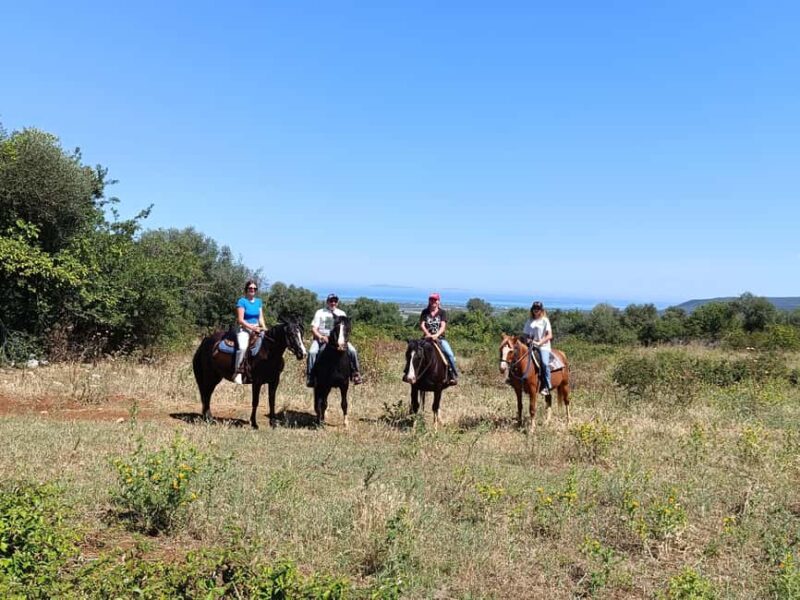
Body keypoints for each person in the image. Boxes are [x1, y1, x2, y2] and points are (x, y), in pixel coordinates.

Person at [307, 293, 363, 386]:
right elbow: (313, 328)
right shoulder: (320, 312)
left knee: (353, 351)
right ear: (327, 302)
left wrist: (344, 339)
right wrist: (320, 336)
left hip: (339, 339)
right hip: (321, 338)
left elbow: (346, 328)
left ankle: (355, 373)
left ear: (337, 302)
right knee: (312, 352)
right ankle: (311, 376)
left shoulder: (342, 313)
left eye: (335, 301)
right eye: (331, 301)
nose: (333, 303)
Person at [234, 279, 268, 384]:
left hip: (258, 328)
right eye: (250, 288)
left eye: (254, 288)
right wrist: (252, 328)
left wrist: (265, 328)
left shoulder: (258, 302)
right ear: (246, 289)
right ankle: (238, 372)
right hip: (244, 328)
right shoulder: (242, 301)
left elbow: (261, 318)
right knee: (243, 347)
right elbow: (240, 319)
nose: (252, 290)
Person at [419, 292, 458, 385]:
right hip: (426, 338)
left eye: (435, 300)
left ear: (438, 301)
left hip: (439, 338)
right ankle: (409, 372)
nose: (433, 302)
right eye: (431, 300)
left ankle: (453, 374)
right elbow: (422, 325)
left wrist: (436, 335)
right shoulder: (425, 312)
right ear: (429, 301)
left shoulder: (442, 312)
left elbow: (443, 326)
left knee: (450, 354)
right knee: (414, 352)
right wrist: (428, 334)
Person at [523, 300, 553, 394]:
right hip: (530, 345)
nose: (536, 310)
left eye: (538, 309)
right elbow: (525, 334)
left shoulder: (545, 320)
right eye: (534, 308)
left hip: (543, 346)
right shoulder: (529, 321)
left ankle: (547, 386)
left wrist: (540, 342)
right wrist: (527, 339)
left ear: (541, 310)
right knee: (517, 357)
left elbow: (549, 335)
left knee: (544, 363)